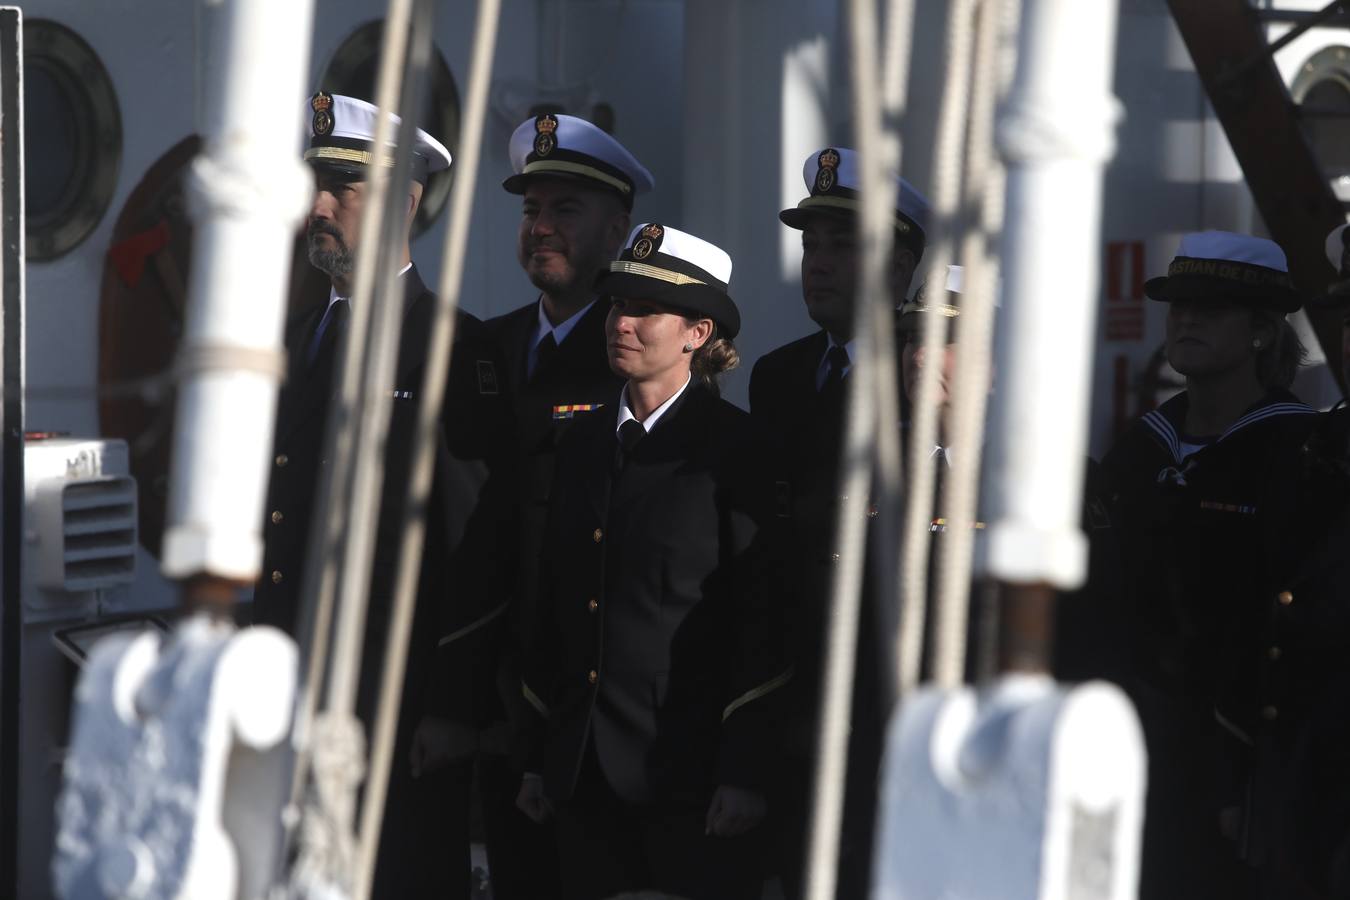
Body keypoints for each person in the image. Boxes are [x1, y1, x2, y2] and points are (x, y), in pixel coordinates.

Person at [254, 92, 512, 899]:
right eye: (316, 185)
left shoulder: (449, 347)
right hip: (288, 685)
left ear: (405, 199)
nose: (320, 207)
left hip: (392, 706)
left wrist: (450, 706)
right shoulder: (293, 341)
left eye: (344, 188)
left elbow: (474, 544)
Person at [516, 224, 788, 900]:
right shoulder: (577, 445)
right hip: (583, 776)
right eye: (615, 305)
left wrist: (744, 772)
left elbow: (763, 619)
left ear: (697, 334)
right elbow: (552, 605)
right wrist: (536, 755)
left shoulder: (736, 450)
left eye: (644, 310)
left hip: (689, 781)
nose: (622, 323)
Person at [1099, 231, 1329, 899]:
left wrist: (1247, 774)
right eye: (1179, 307)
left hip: (1240, 764)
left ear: (1262, 333)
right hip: (1127, 744)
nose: (1188, 320)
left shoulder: (1299, 451)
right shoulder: (1140, 449)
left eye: (1212, 308)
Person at [477, 112, 654, 898]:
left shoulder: (634, 369)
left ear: (617, 229)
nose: (541, 227)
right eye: (530, 210)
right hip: (490, 691)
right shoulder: (486, 349)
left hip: (585, 714)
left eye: (565, 211)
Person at [747, 146, 928, 899]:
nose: (817, 263)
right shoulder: (779, 376)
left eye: (844, 245)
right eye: (810, 243)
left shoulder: (929, 380)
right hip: (791, 697)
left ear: (899, 267)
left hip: (889, 705)